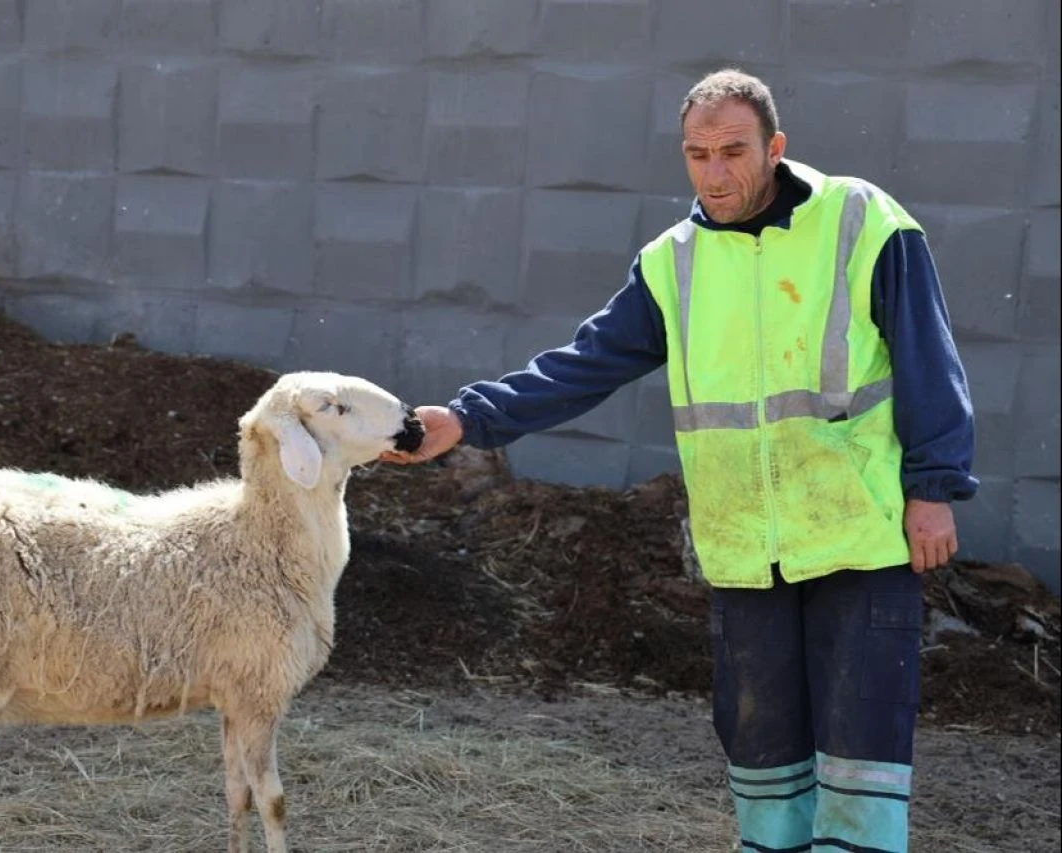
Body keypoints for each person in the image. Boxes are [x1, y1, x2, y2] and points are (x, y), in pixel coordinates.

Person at [381, 68, 977, 853]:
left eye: (734, 151)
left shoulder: (861, 219)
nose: (716, 172)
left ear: (776, 147)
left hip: (857, 537)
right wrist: (467, 417)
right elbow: (583, 363)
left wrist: (932, 488)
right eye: (698, 155)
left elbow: (927, 355)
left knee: (861, 756)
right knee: (764, 761)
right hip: (743, 554)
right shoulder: (673, 263)